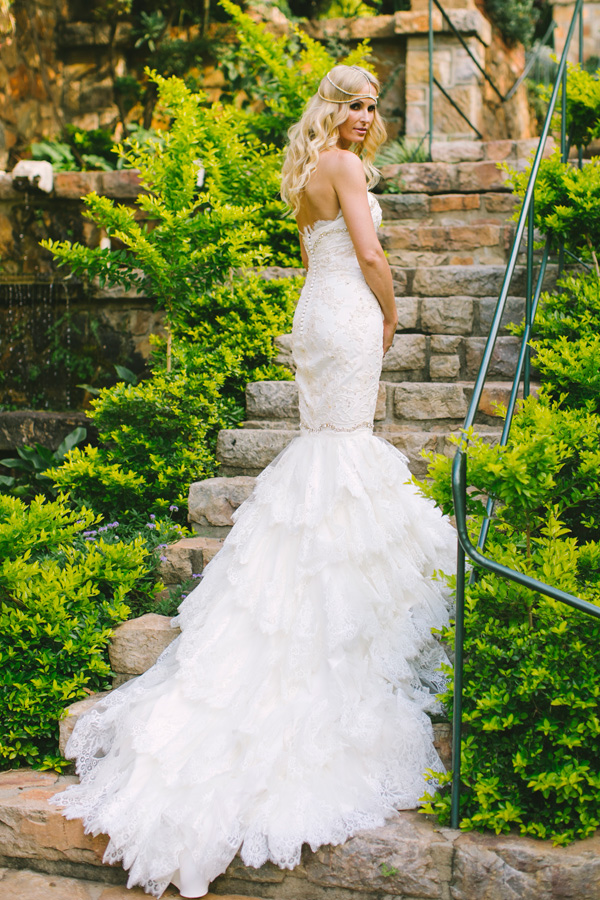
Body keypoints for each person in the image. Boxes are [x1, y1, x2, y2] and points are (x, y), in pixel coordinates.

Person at [51, 64, 456, 899]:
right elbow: (371, 253)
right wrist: (388, 314)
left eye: (375, 108)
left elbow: (323, 252)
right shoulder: (343, 169)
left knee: (328, 449)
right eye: (355, 105)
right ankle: (344, 594)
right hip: (345, 316)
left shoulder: (306, 172)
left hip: (314, 317)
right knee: (344, 450)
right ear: (331, 107)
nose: (366, 118)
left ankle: (330, 572)